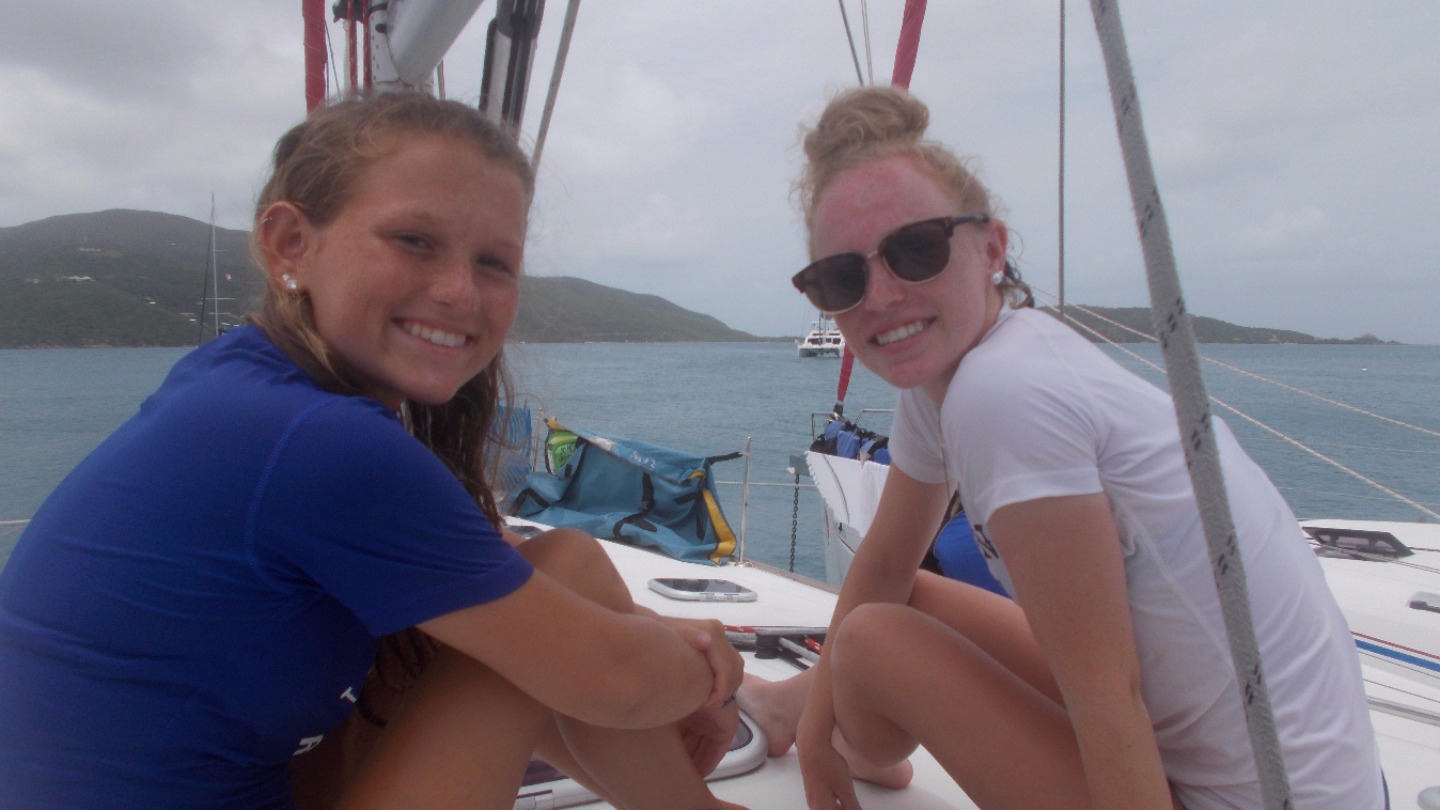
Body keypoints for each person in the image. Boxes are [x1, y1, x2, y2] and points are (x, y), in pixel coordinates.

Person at [0, 92, 746, 810]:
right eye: (414, 240)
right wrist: (712, 674)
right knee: (564, 578)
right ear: (291, 244)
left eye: (495, 262)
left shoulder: (239, 387)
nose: (459, 292)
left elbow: (500, 579)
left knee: (534, 589)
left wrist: (650, 640)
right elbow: (614, 683)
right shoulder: (323, 442)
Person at [779, 85, 1383, 810]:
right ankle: (789, 711)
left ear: (991, 248)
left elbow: (1106, 692)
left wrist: (832, 733)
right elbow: (884, 564)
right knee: (899, 596)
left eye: (917, 250)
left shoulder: (1003, 394)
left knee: (873, 640)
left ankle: (836, 735)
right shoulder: (956, 376)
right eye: (841, 277)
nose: (879, 296)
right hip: (1327, 784)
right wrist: (812, 732)